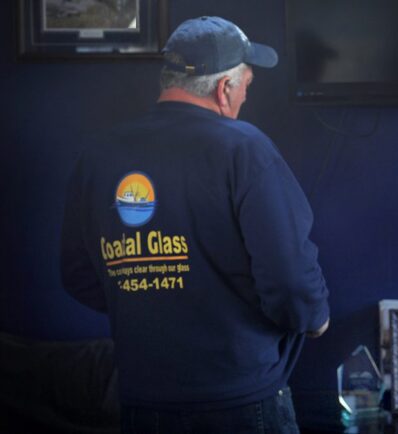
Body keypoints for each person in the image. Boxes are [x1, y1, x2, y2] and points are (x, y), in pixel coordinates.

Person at [60, 16, 330, 433]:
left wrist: (148, 295)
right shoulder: (245, 148)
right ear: (225, 89)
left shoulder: (98, 156)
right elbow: (290, 278)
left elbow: (78, 275)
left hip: (141, 404)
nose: (243, 98)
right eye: (246, 86)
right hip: (240, 402)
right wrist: (313, 318)